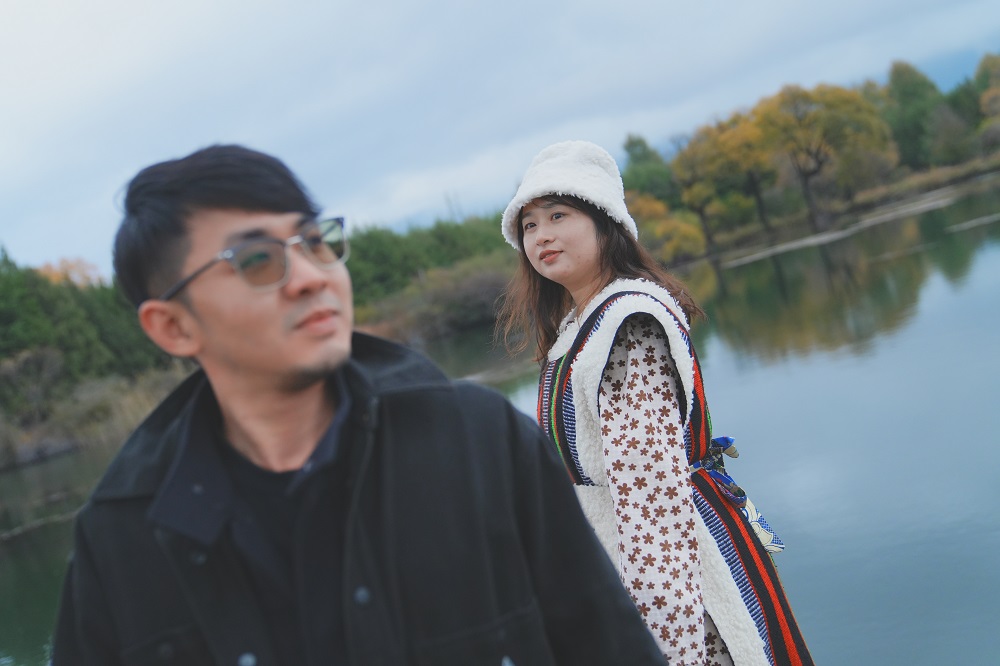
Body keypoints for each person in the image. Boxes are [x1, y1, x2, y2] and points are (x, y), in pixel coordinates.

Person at [51, 144, 667, 666]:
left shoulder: (481, 444)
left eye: (316, 242)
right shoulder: (120, 539)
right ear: (173, 327)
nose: (310, 276)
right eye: (258, 260)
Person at [496, 140, 814, 666]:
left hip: (675, 585)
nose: (541, 235)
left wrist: (667, 646)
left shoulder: (627, 324)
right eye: (529, 225)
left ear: (605, 222)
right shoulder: (581, 326)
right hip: (618, 571)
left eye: (558, 215)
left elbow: (651, 497)